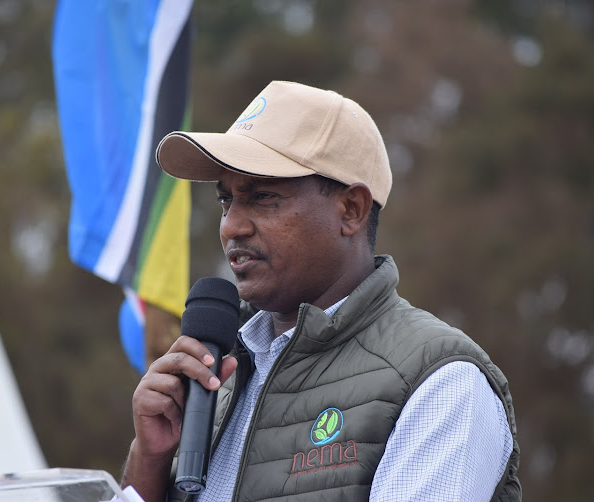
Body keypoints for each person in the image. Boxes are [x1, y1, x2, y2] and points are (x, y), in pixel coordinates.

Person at [121, 80, 521, 502]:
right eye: (226, 201)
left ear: (351, 210)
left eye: (263, 196)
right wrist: (148, 463)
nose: (231, 226)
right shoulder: (212, 384)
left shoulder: (441, 382)